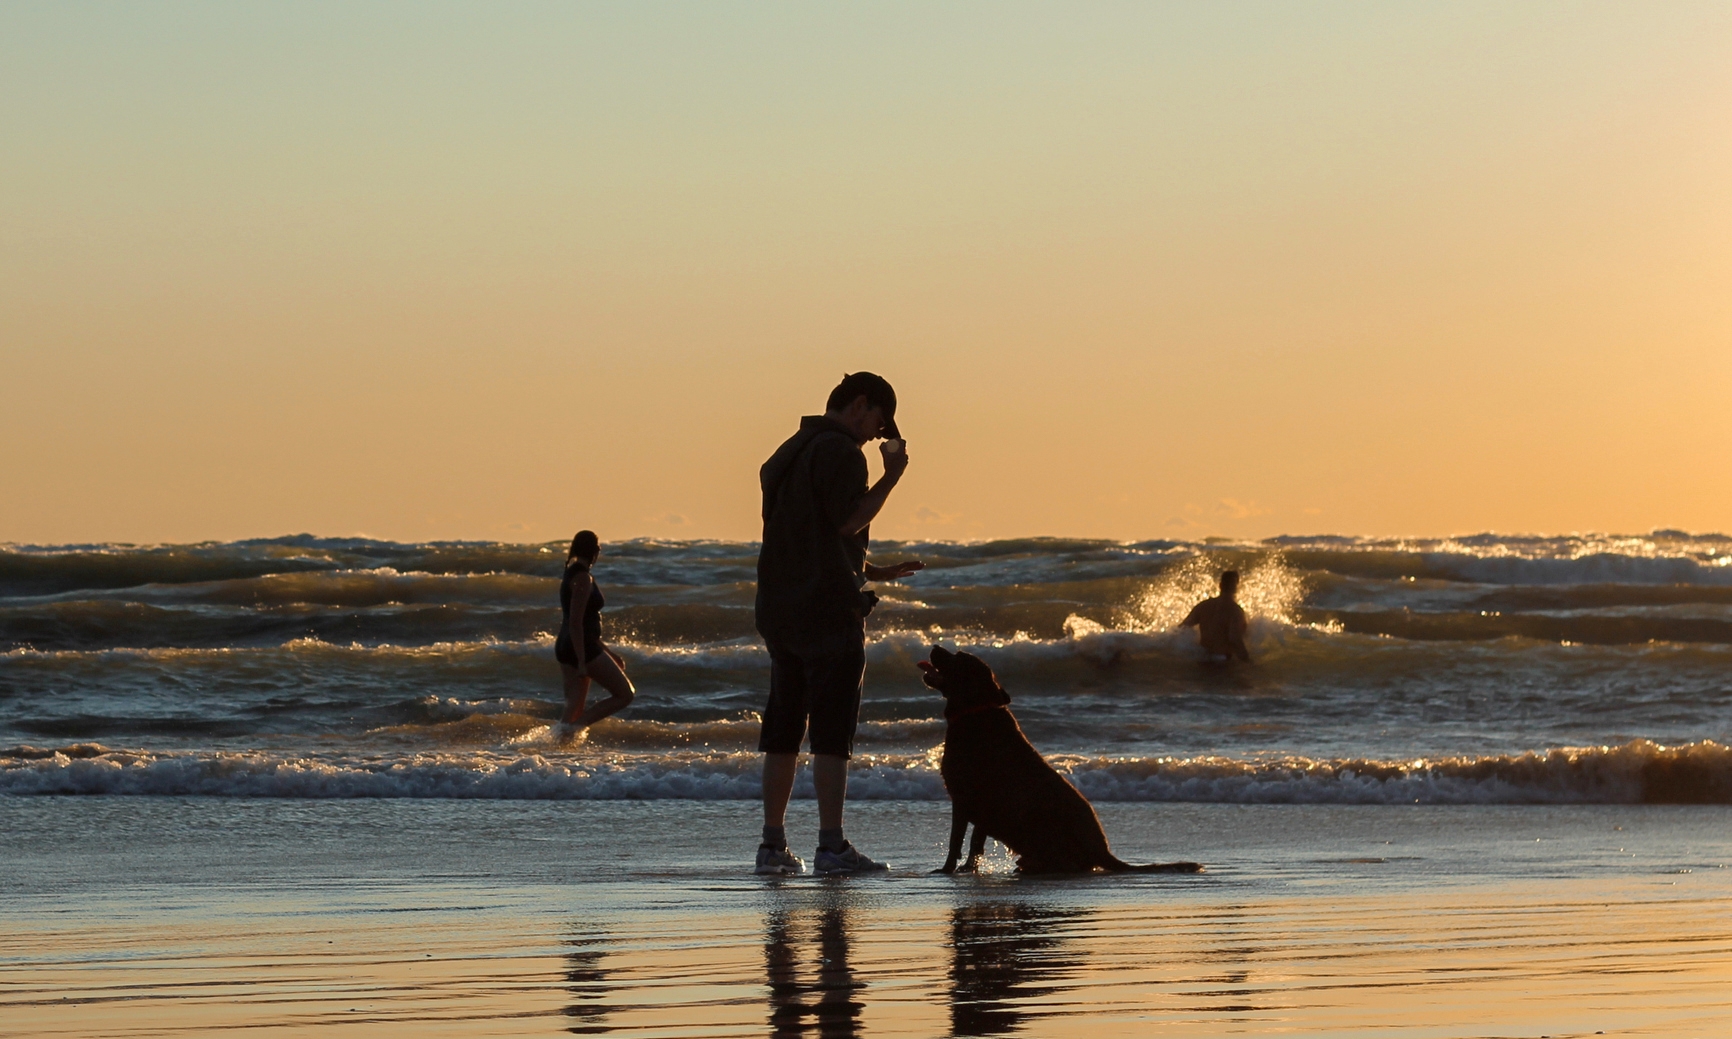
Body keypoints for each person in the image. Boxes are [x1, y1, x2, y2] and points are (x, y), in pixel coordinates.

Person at [752, 372, 925, 876]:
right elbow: (847, 521)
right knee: (831, 732)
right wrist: (892, 476)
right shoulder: (842, 452)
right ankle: (831, 846)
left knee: (783, 728)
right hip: (827, 611)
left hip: (780, 607)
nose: (878, 434)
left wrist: (869, 569)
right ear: (860, 405)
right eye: (879, 421)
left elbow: (807, 532)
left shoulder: (791, 449)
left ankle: (772, 847)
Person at [555, 530, 636, 731]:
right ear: (595, 551)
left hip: (567, 644)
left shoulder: (571, 573)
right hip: (580, 646)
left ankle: (557, 747)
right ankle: (575, 730)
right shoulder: (583, 578)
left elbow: (582, 625)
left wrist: (609, 653)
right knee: (625, 694)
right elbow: (576, 622)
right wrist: (582, 661)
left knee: (573, 707)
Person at [1178, 569, 1252, 664]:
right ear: (1237, 588)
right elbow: (1234, 638)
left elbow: (1182, 628)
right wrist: (1247, 661)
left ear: (1220, 585)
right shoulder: (1235, 611)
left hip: (1203, 659)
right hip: (1223, 662)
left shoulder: (1203, 605)